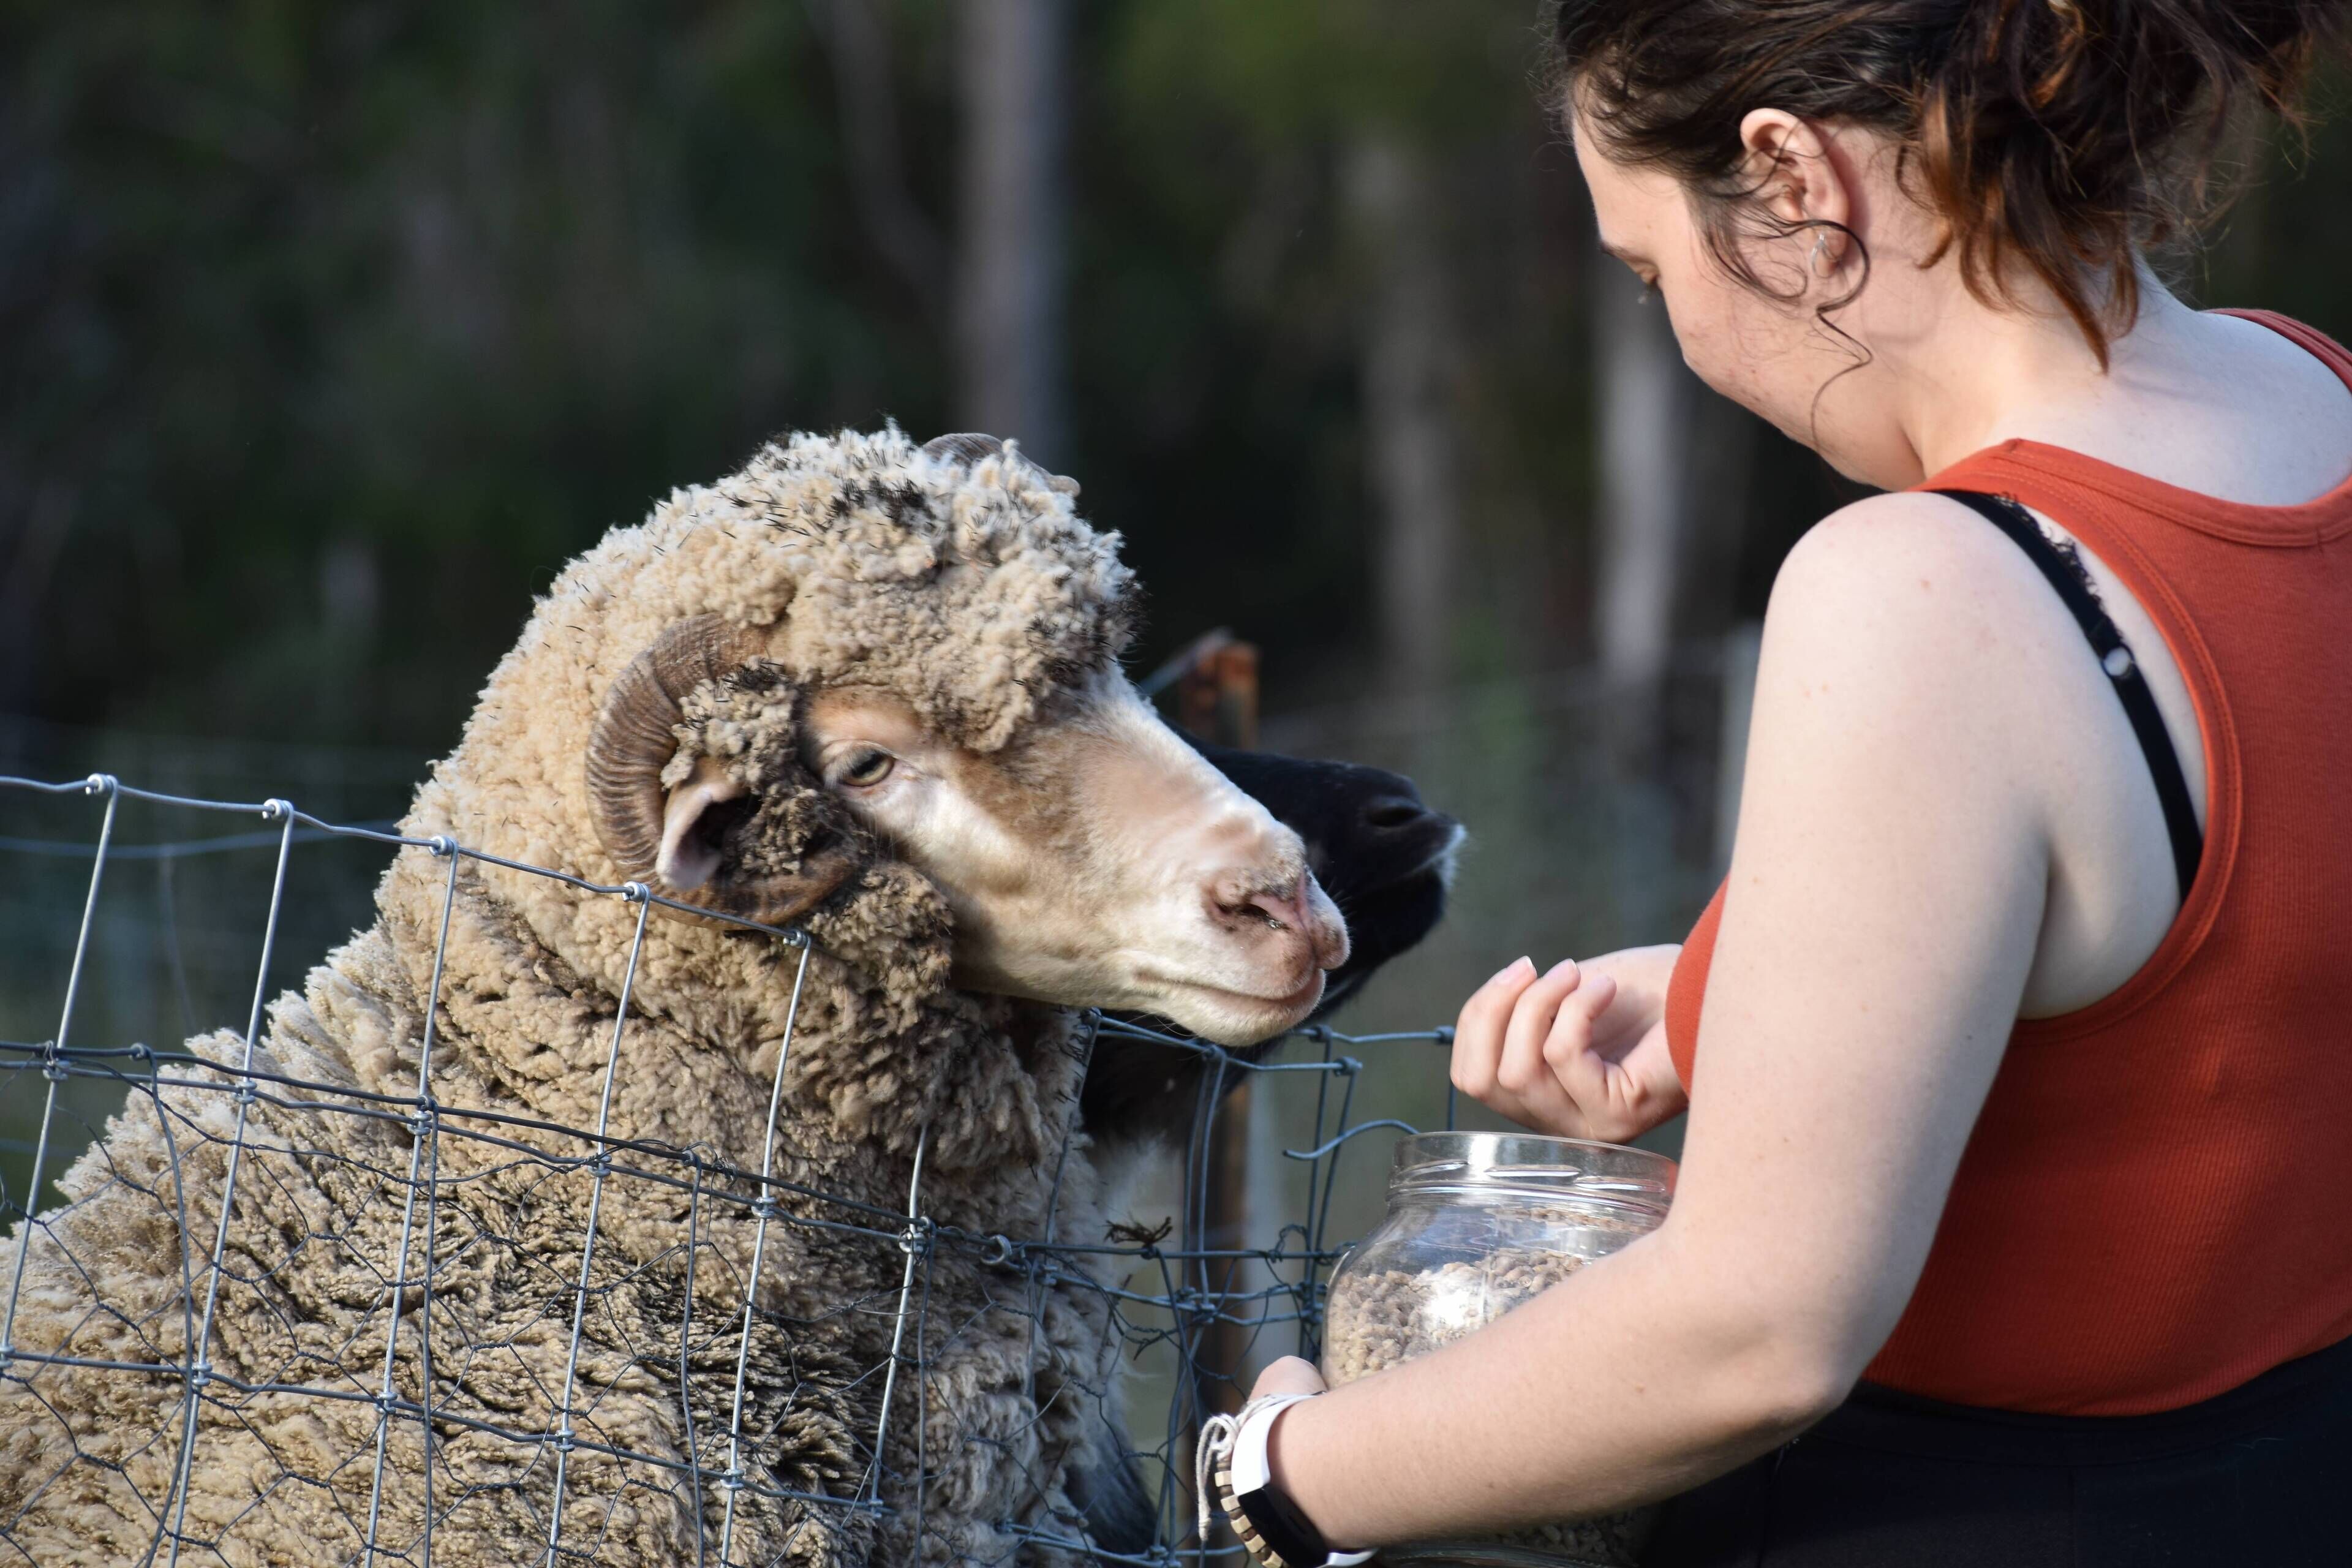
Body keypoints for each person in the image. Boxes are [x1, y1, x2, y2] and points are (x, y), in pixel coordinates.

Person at [1203, 1, 2352, 1563]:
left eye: (1649, 268)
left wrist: (1281, 1471)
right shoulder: (2312, 402)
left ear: (1793, 180)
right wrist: (1724, 997)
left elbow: (1759, 1329)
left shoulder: (1932, 589)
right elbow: (2218, 971)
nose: (1673, 332)